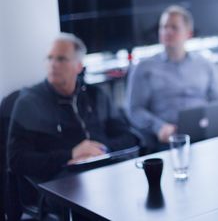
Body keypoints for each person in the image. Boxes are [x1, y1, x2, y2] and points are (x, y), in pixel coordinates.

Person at [7, 33, 138, 184]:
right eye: (50, 58)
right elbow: (16, 160)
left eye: (61, 59)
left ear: (78, 66)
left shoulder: (96, 95)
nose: (53, 64)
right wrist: (71, 154)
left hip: (104, 171)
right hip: (61, 181)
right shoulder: (30, 103)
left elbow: (128, 137)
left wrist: (101, 150)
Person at [127, 5, 218, 150]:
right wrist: (158, 127)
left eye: (174, 27)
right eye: (164, 27)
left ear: (189, 34)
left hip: (204, 133)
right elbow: (134, 109)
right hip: (168, 138)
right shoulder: (144, 67)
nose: (167, 32)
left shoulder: (205, 64)